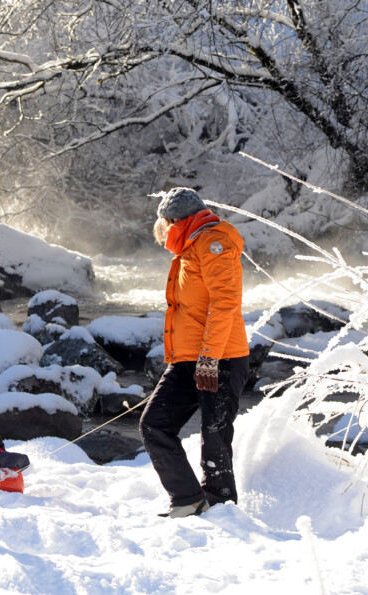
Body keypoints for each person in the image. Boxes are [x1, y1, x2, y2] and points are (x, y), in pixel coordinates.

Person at [140, 187, 250, 518]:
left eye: (164, 225)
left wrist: (209, 357)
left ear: (178, 221)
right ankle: (189, 498)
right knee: (154, 424)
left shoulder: (214, 243)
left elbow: (225, 301)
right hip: (190, 359)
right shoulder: (188, 249)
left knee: (215, 435)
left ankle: (221, 508)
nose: (162, 232)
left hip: (222, 357)